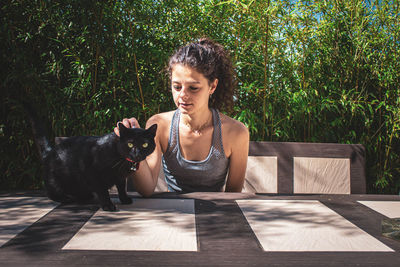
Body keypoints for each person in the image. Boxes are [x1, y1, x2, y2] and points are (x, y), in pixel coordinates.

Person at [114, 38, 249, 196]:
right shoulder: (160, 125)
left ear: (212, 86)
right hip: (174, 213)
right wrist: (134, 144)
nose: (182, 95)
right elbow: (146, 189)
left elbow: (233, 196)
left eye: (193, 88)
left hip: (216, 214)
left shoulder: (236, 132)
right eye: (176, 87)